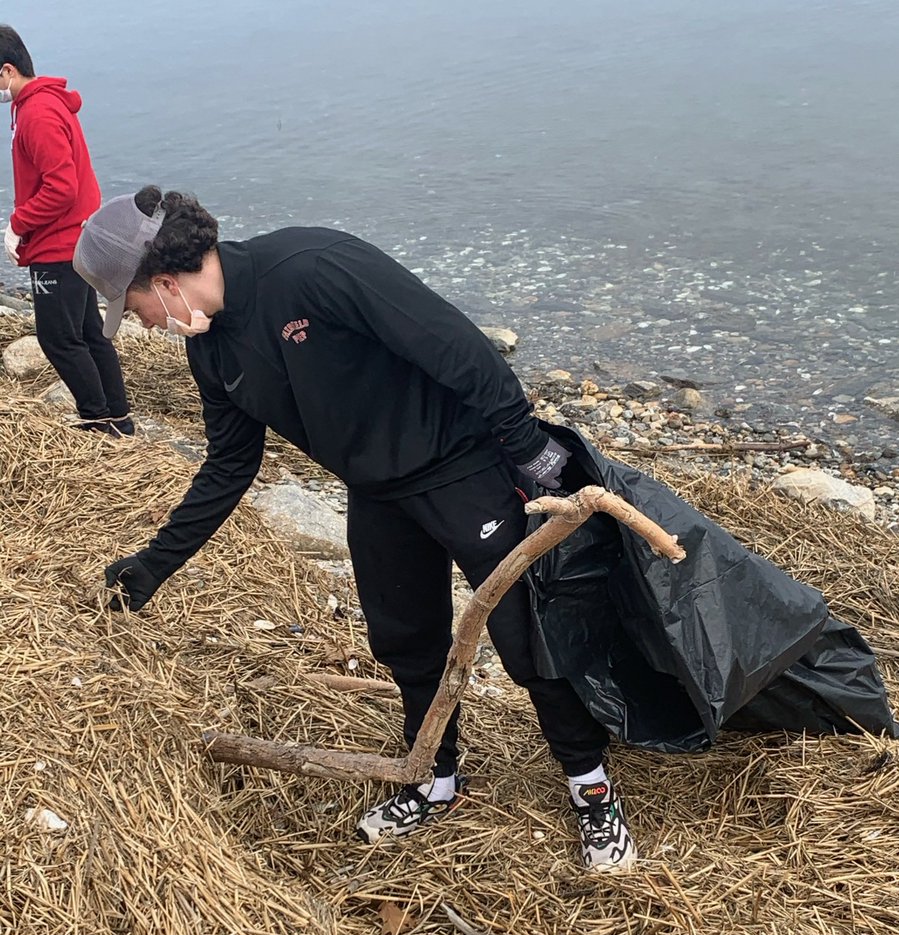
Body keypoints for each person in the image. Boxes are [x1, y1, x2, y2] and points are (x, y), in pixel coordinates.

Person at [74, 185, 636, 871]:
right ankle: (435, 780)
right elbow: (228, 465)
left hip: (463, 468)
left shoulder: (311, 268)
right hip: (377, 491)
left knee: (526, 639)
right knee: (405, 641)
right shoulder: (214, 351)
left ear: (163, 281)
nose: (144, 325)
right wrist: (155, 562)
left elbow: (454, 343)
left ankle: (591, 790)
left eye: (135, 309)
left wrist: (524, 446)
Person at [0, 25, 132, 437]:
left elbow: (61, 187)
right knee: (89, 331)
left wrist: (17, 224)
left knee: (58, 338)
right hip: (77, 235)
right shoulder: (40, 105)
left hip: (59, 245)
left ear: (6, 71)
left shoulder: (37, 113)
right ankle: (119, 418)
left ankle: (97, 419)